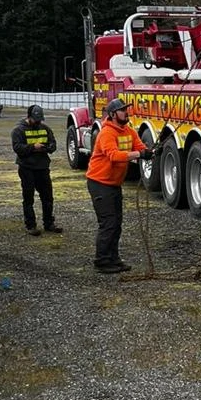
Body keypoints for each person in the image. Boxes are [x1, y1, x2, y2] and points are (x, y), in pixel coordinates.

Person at [86, 97, 153, 272]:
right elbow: (114, 156)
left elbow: (140, 146)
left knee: (117, 223)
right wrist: (139, 154)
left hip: (114, 184)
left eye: (126, 109)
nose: (127, 112)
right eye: (123, 110)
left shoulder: (129, 131)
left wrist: (149, 151)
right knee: (108, 223)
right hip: (99, 183)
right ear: (114, 114)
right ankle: (102, 261)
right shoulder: (107, 133)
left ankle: (113, 259)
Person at [11, 104, 62, 236]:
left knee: (48, 197)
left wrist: (47, 147)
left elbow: (53, 144)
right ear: (29, 117)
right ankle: (30, 225)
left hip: (43, 167)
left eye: (39, 120)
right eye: (35, 119)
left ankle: (49, 223)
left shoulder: (45, 129)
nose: (38, 122)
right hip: (27, 168)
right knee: (28, 198)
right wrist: (33, 147)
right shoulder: (18, 130)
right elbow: (18, 148)